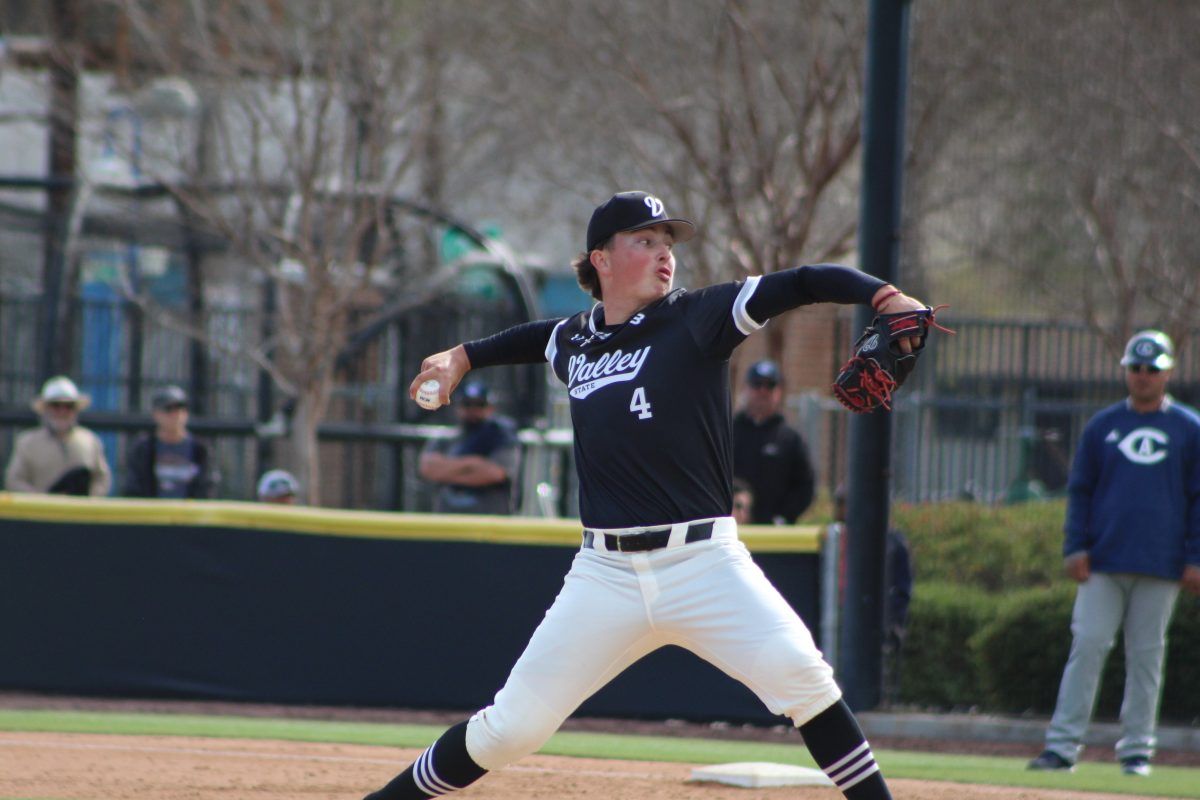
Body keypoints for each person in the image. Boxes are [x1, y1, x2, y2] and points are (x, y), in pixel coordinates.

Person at [362, 190, 930, 800]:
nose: (665, 255)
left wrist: (882, 295)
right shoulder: (575, 340)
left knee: (807, 684)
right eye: (645, 241)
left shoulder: (699, 318)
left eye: (668, 243)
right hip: (603, 575)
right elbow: (536, 339)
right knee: (510, 730)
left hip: (704, 563)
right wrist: (462, 357)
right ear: (600, 259)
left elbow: (802, 281)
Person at [1028, 330, 1200, 777]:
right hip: (1102, 560)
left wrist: (1195, 557)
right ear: (1126, 370)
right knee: (1086, 645)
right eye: (1136, 368)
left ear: (1168, 373)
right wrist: (1075, 547)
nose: (1143, 376)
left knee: (1146, 656)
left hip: (1161, 563)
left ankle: (1137, 751)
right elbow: (1080, 491)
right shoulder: (1102, 426)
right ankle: (1062, 748)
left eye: (1152, 369)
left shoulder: (1189, 428)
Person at [833, 487, 913, 707]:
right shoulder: (834, 536)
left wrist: (895, 620)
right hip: (836, 615)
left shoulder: (893, 541)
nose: (845, 511)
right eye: (842, 505)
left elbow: (902, 588)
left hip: (874, 619)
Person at [733, 359, 816, 524]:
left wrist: (783, 517)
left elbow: (805, 484)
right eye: (757, 384)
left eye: (770, 385)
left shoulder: (790, 439)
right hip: (730, 529)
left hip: (773, 536)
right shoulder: (727, 433)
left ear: (779, 391)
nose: (763, 391)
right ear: (746, 388)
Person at [419, 381, 519, 515]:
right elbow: (428, 469)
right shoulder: (444, 438)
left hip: (489, 523)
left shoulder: (501, 436)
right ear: (457, 408)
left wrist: (447, 473)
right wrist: (472, 464)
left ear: (490, 408)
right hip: (448, 520)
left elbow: (495, 474)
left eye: (480, 405)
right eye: (467, 404)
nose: (473, 410)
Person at [4, 375, 111, 496]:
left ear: (76, 410)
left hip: (80, 513)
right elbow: (14, 480)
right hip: (40, 513)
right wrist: (41, 500)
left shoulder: (90, 441)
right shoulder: (27, 442)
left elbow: (102, 479)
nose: (62, 411)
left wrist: (88, 501)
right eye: (55, 406)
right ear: (45, 409)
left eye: (69, 406)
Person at [123, 385, 214, 499]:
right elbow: (134, 488)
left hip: (189, 516)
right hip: (152, 515)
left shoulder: (200, 449)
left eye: (181, 409)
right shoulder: (143, 448)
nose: (176, 415)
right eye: (169, 409)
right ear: (156, 414)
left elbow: (207, 488)